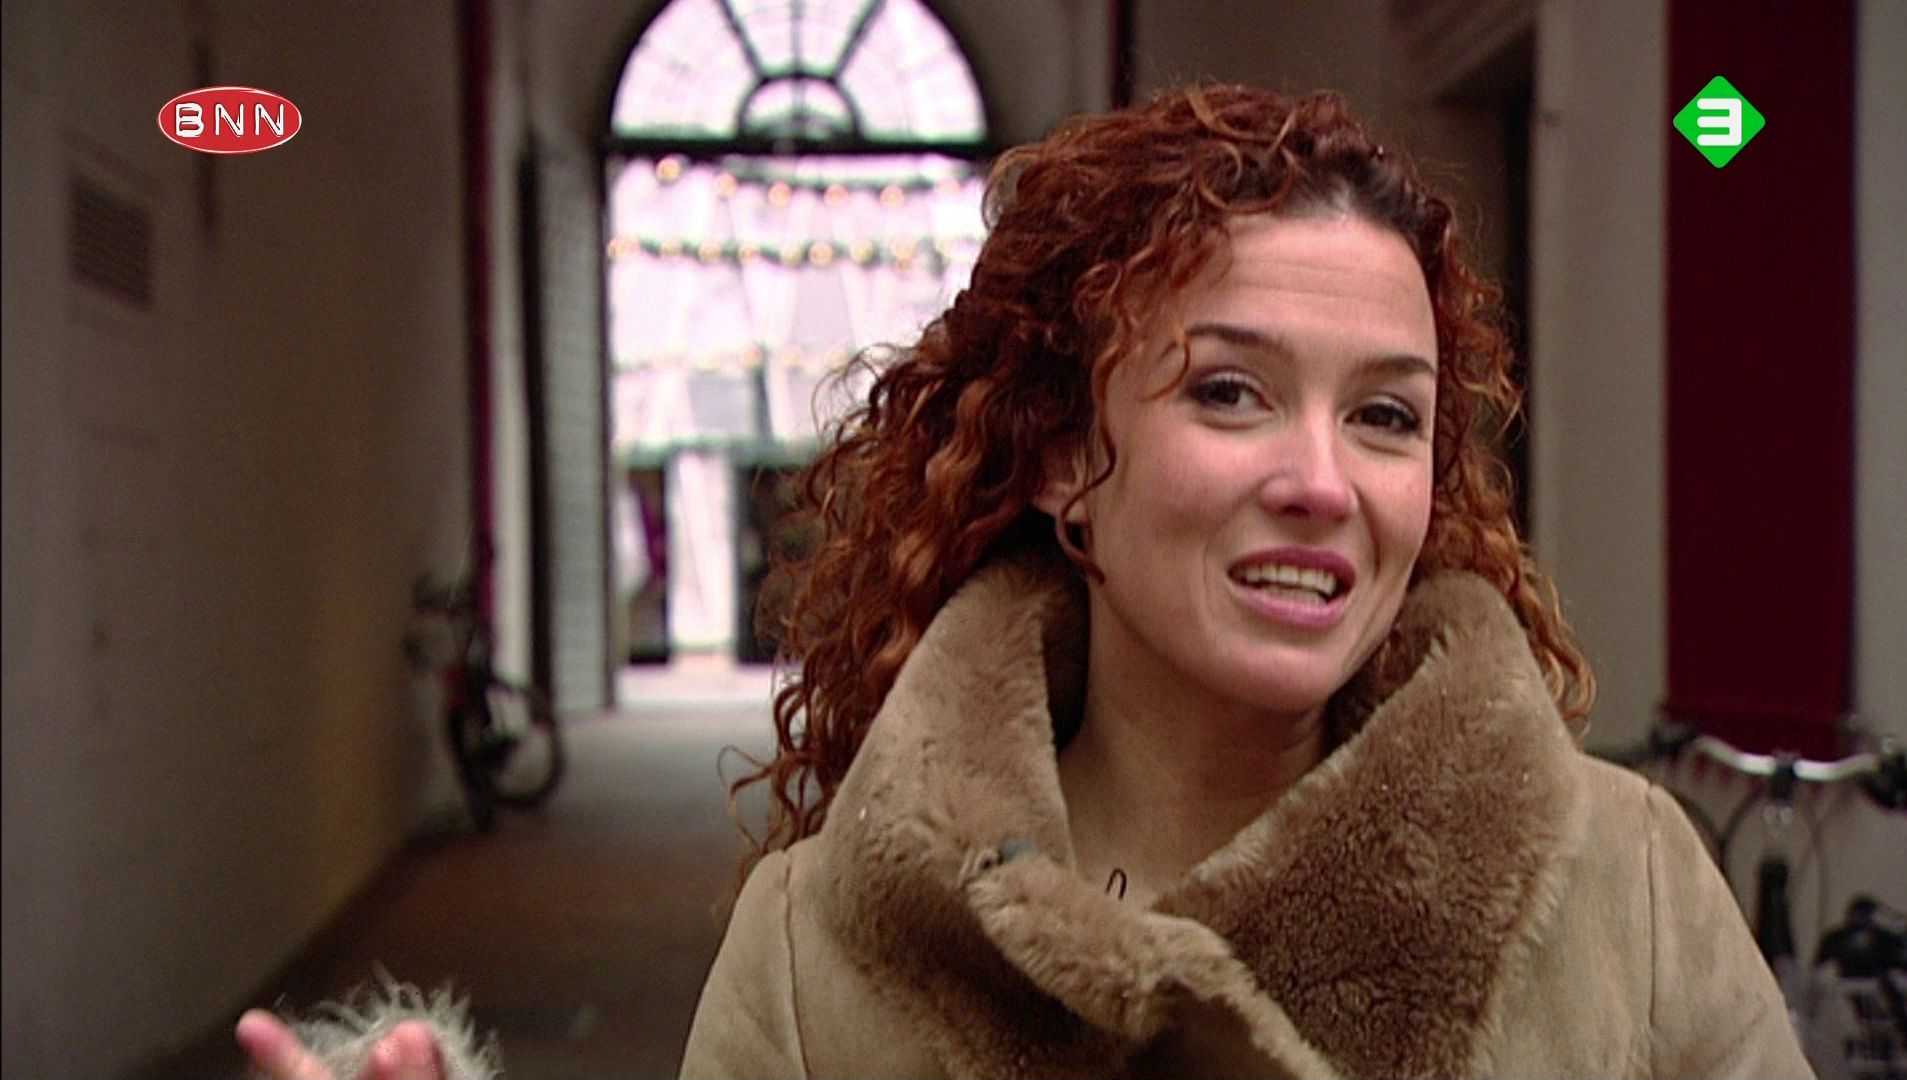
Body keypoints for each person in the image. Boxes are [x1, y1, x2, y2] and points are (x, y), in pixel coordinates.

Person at [240, 84, 1812, 1079]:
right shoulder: (819, 944)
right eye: (1230, 392)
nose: (1324, 481)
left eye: (1387, 418)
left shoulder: (1627, 887)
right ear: (1065, 459)